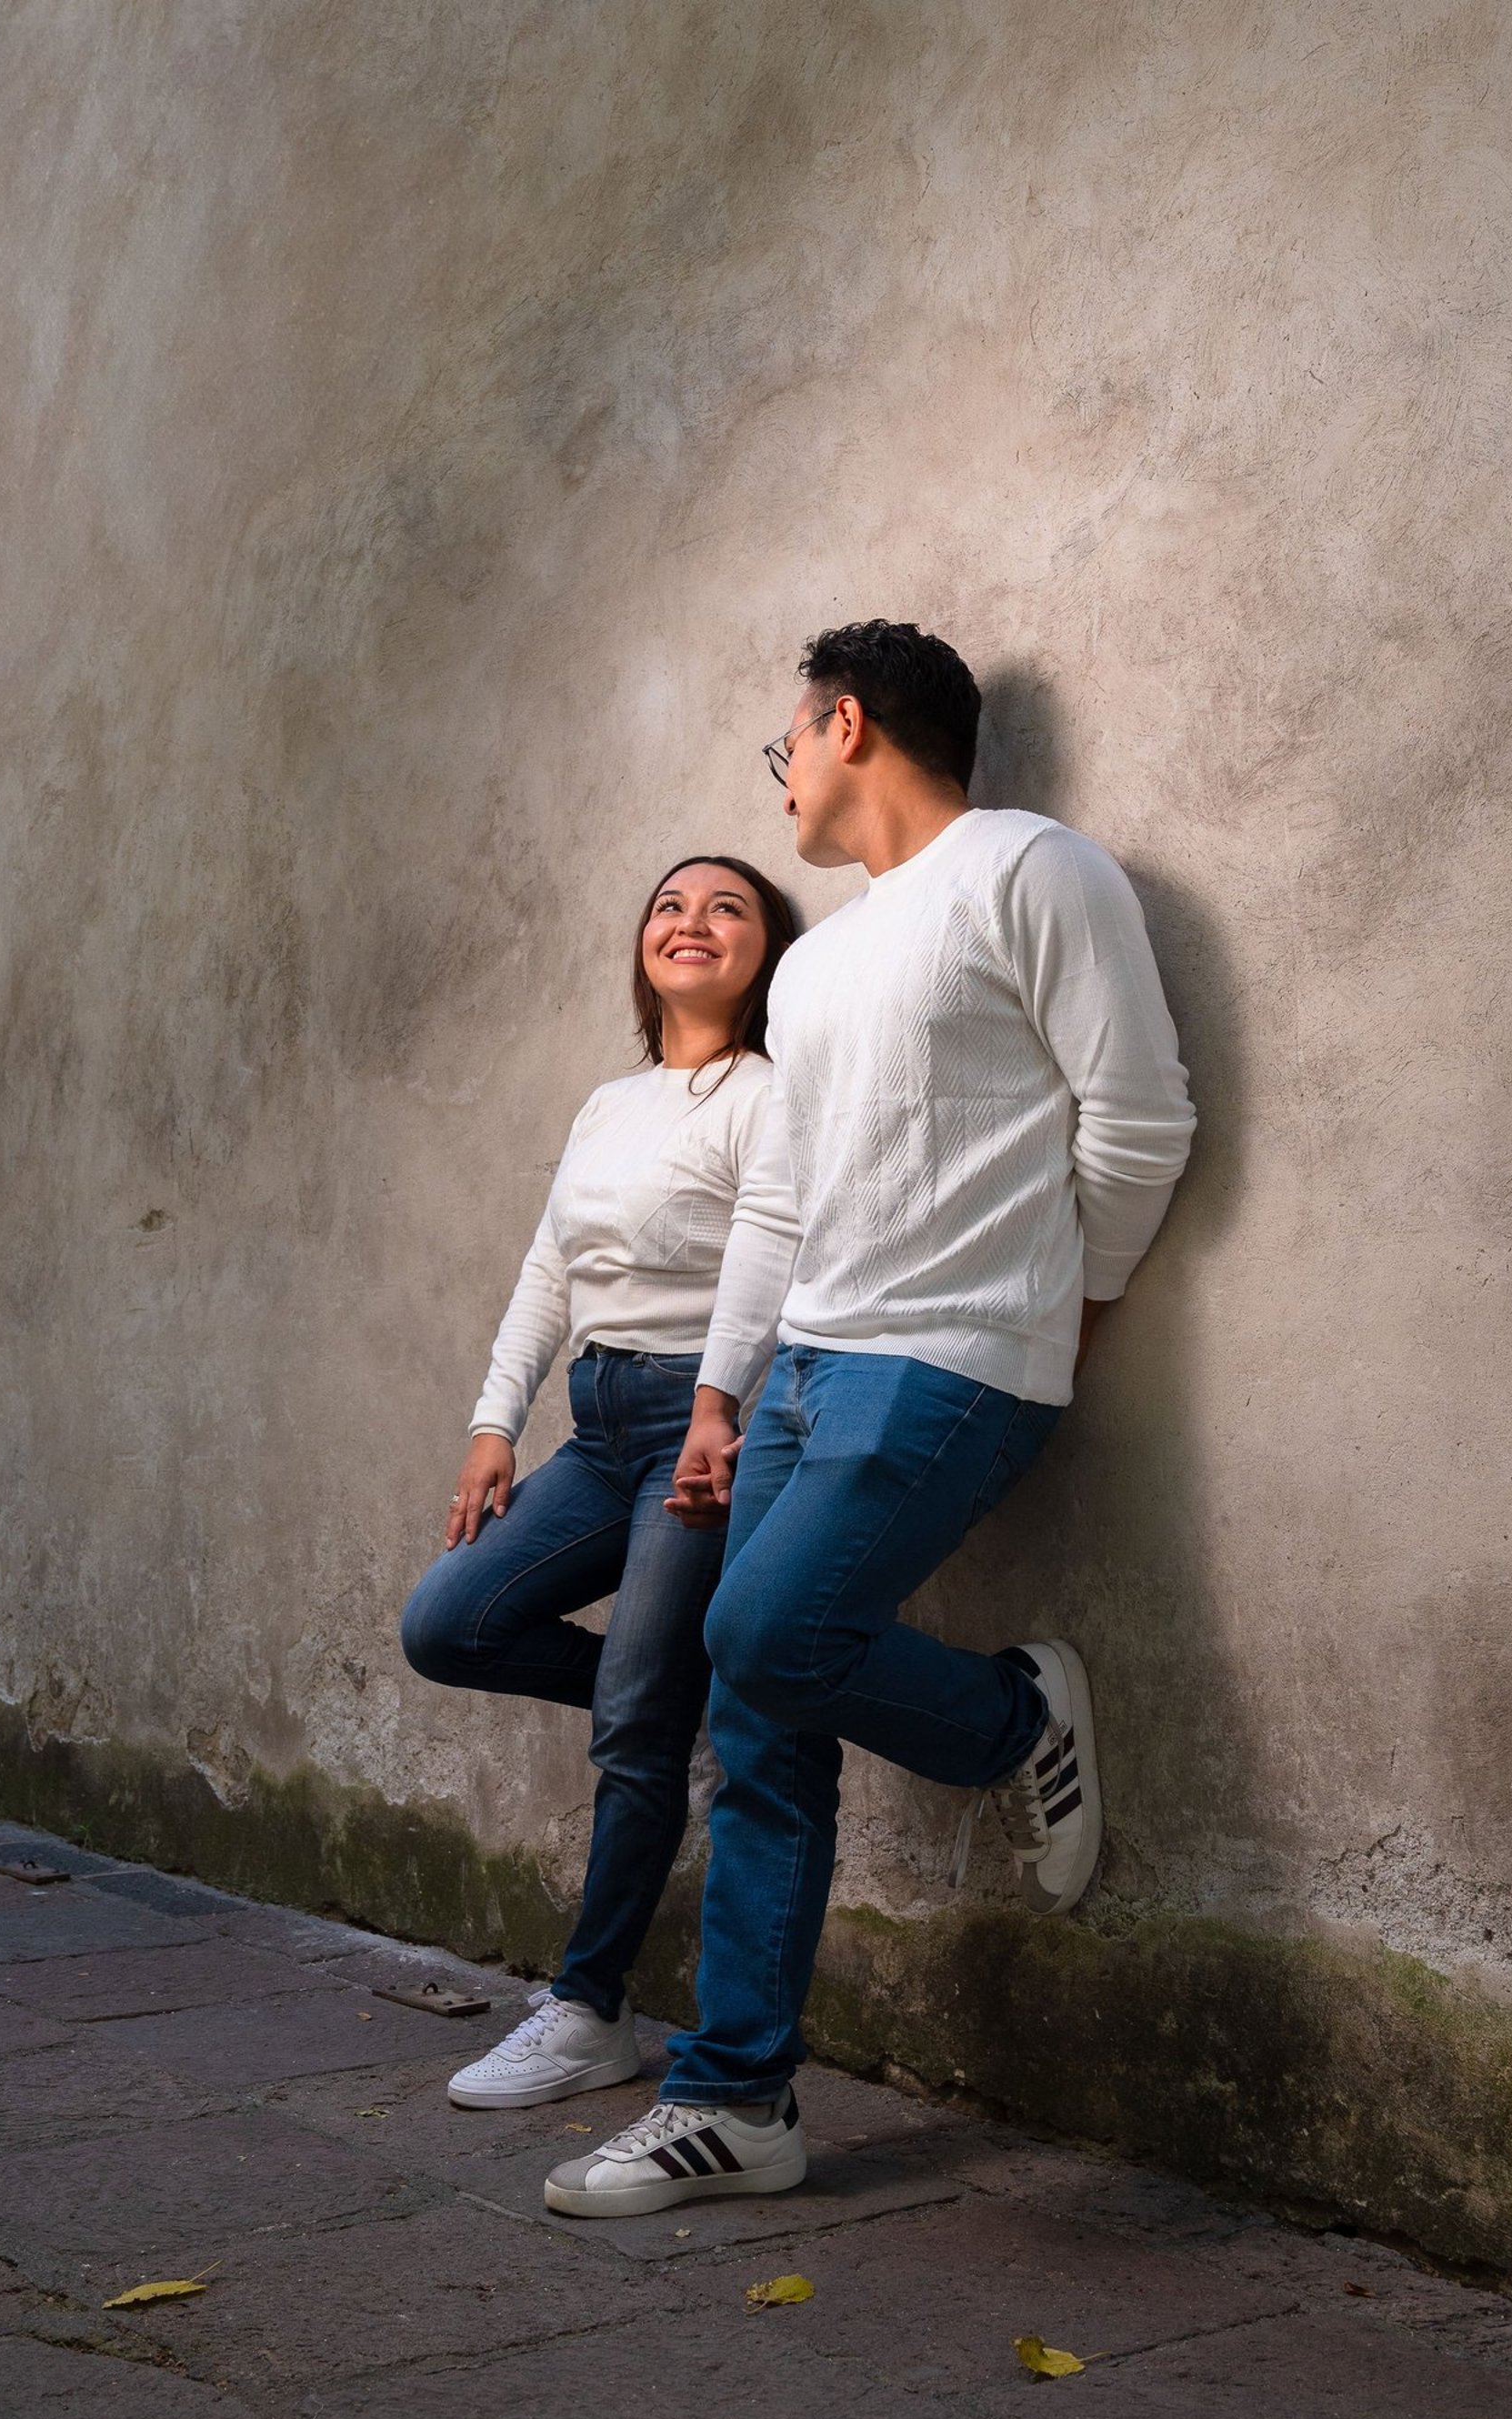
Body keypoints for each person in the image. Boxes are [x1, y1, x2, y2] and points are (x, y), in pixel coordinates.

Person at [543, 621, 1197, 2217]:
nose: (783, 782)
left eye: (788, 747)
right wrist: (722, 1392)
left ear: (846, 727)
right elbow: (782, 1199)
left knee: (764, 1637)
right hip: (806, 1370)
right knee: (758, 1716)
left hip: (952, 1360)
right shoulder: (821, 959)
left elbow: (1139, 1118)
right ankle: (736, 2103)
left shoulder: (1032, 870)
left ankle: (1014, 1722)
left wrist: (1073, 1313)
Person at [400, 854, 797, 2109]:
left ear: (767, 950)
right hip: (599, 1421)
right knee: (449, 1623)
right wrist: (493, 1422)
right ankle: (664, 1702)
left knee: (632, 1720)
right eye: (670, 905)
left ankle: (589, 2009)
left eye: (727, 908)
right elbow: (549, 1268)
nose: (692, 922)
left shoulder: (770, 1092)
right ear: (642, 944)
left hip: (698, 1421)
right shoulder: (608, 1104)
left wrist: (721, 1405)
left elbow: (771, 1254)